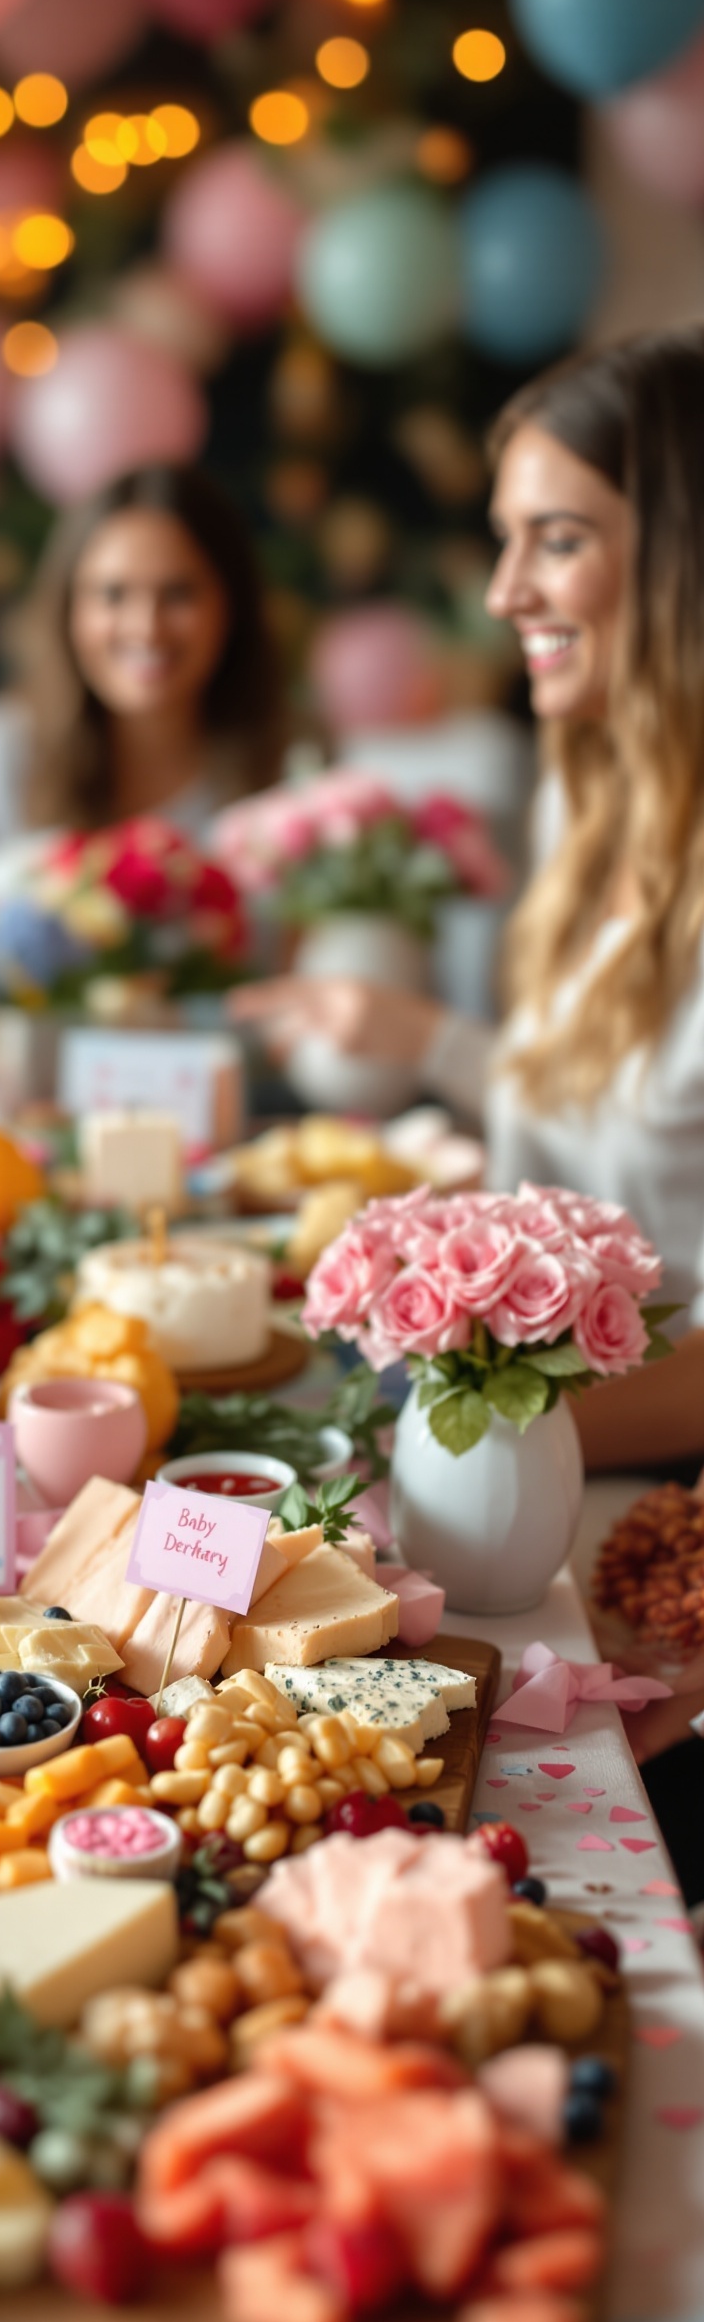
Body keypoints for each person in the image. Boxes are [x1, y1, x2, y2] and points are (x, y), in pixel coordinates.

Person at [231, 328, 704, 1475]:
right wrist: (422, 1049)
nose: (504, 592)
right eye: (506, 541)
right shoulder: (585, 811)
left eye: (559, 539)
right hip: (537, 1447)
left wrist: (450, 1448)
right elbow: (604, 1129)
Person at [0, 461, 282, 891]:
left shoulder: (288, 779)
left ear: (232, 606)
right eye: (112, 594)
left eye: (179, 593)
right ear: (69, 609)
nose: (146, 627)